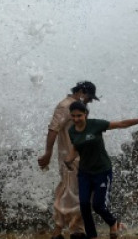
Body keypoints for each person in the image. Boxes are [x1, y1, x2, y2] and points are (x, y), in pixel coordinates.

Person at [64, 100, 138, 239]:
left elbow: (122, 124)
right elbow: (76, 147)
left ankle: (113, 222)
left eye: (79, 116)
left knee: (98, 205)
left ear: (85, 114)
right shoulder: (71, 130)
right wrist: (69, 159)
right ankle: (92, 236)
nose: (76, 119)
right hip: (84, 172)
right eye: (73, 116)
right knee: (84, 205)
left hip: (102, 171)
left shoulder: (96, 125)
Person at [38, 81, 100, 239]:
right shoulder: (65, 106)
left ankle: (75, 230)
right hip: (70, 159)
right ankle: (63, 231)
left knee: (77, 192)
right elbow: (53, 129)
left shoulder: (76, 107)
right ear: (81, 92)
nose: (89, 101)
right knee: (70, 191)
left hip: (80, 158)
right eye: (89, 98)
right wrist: (48, 153)